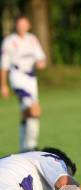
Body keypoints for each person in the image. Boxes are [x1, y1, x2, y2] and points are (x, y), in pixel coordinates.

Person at [1, 16, 45, 152]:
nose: (21, 27)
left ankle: (23, 147)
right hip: (17, 77)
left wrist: (41, 62)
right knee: (34, 109)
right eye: (19, 24)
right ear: (16, 26)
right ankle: (31, 145)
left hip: (31, 79)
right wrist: (3, 85)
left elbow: (41, 57)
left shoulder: (32, 39)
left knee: (27, 112)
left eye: (24, 24)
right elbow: (3, 66)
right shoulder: (9, 42)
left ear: (28, 26)